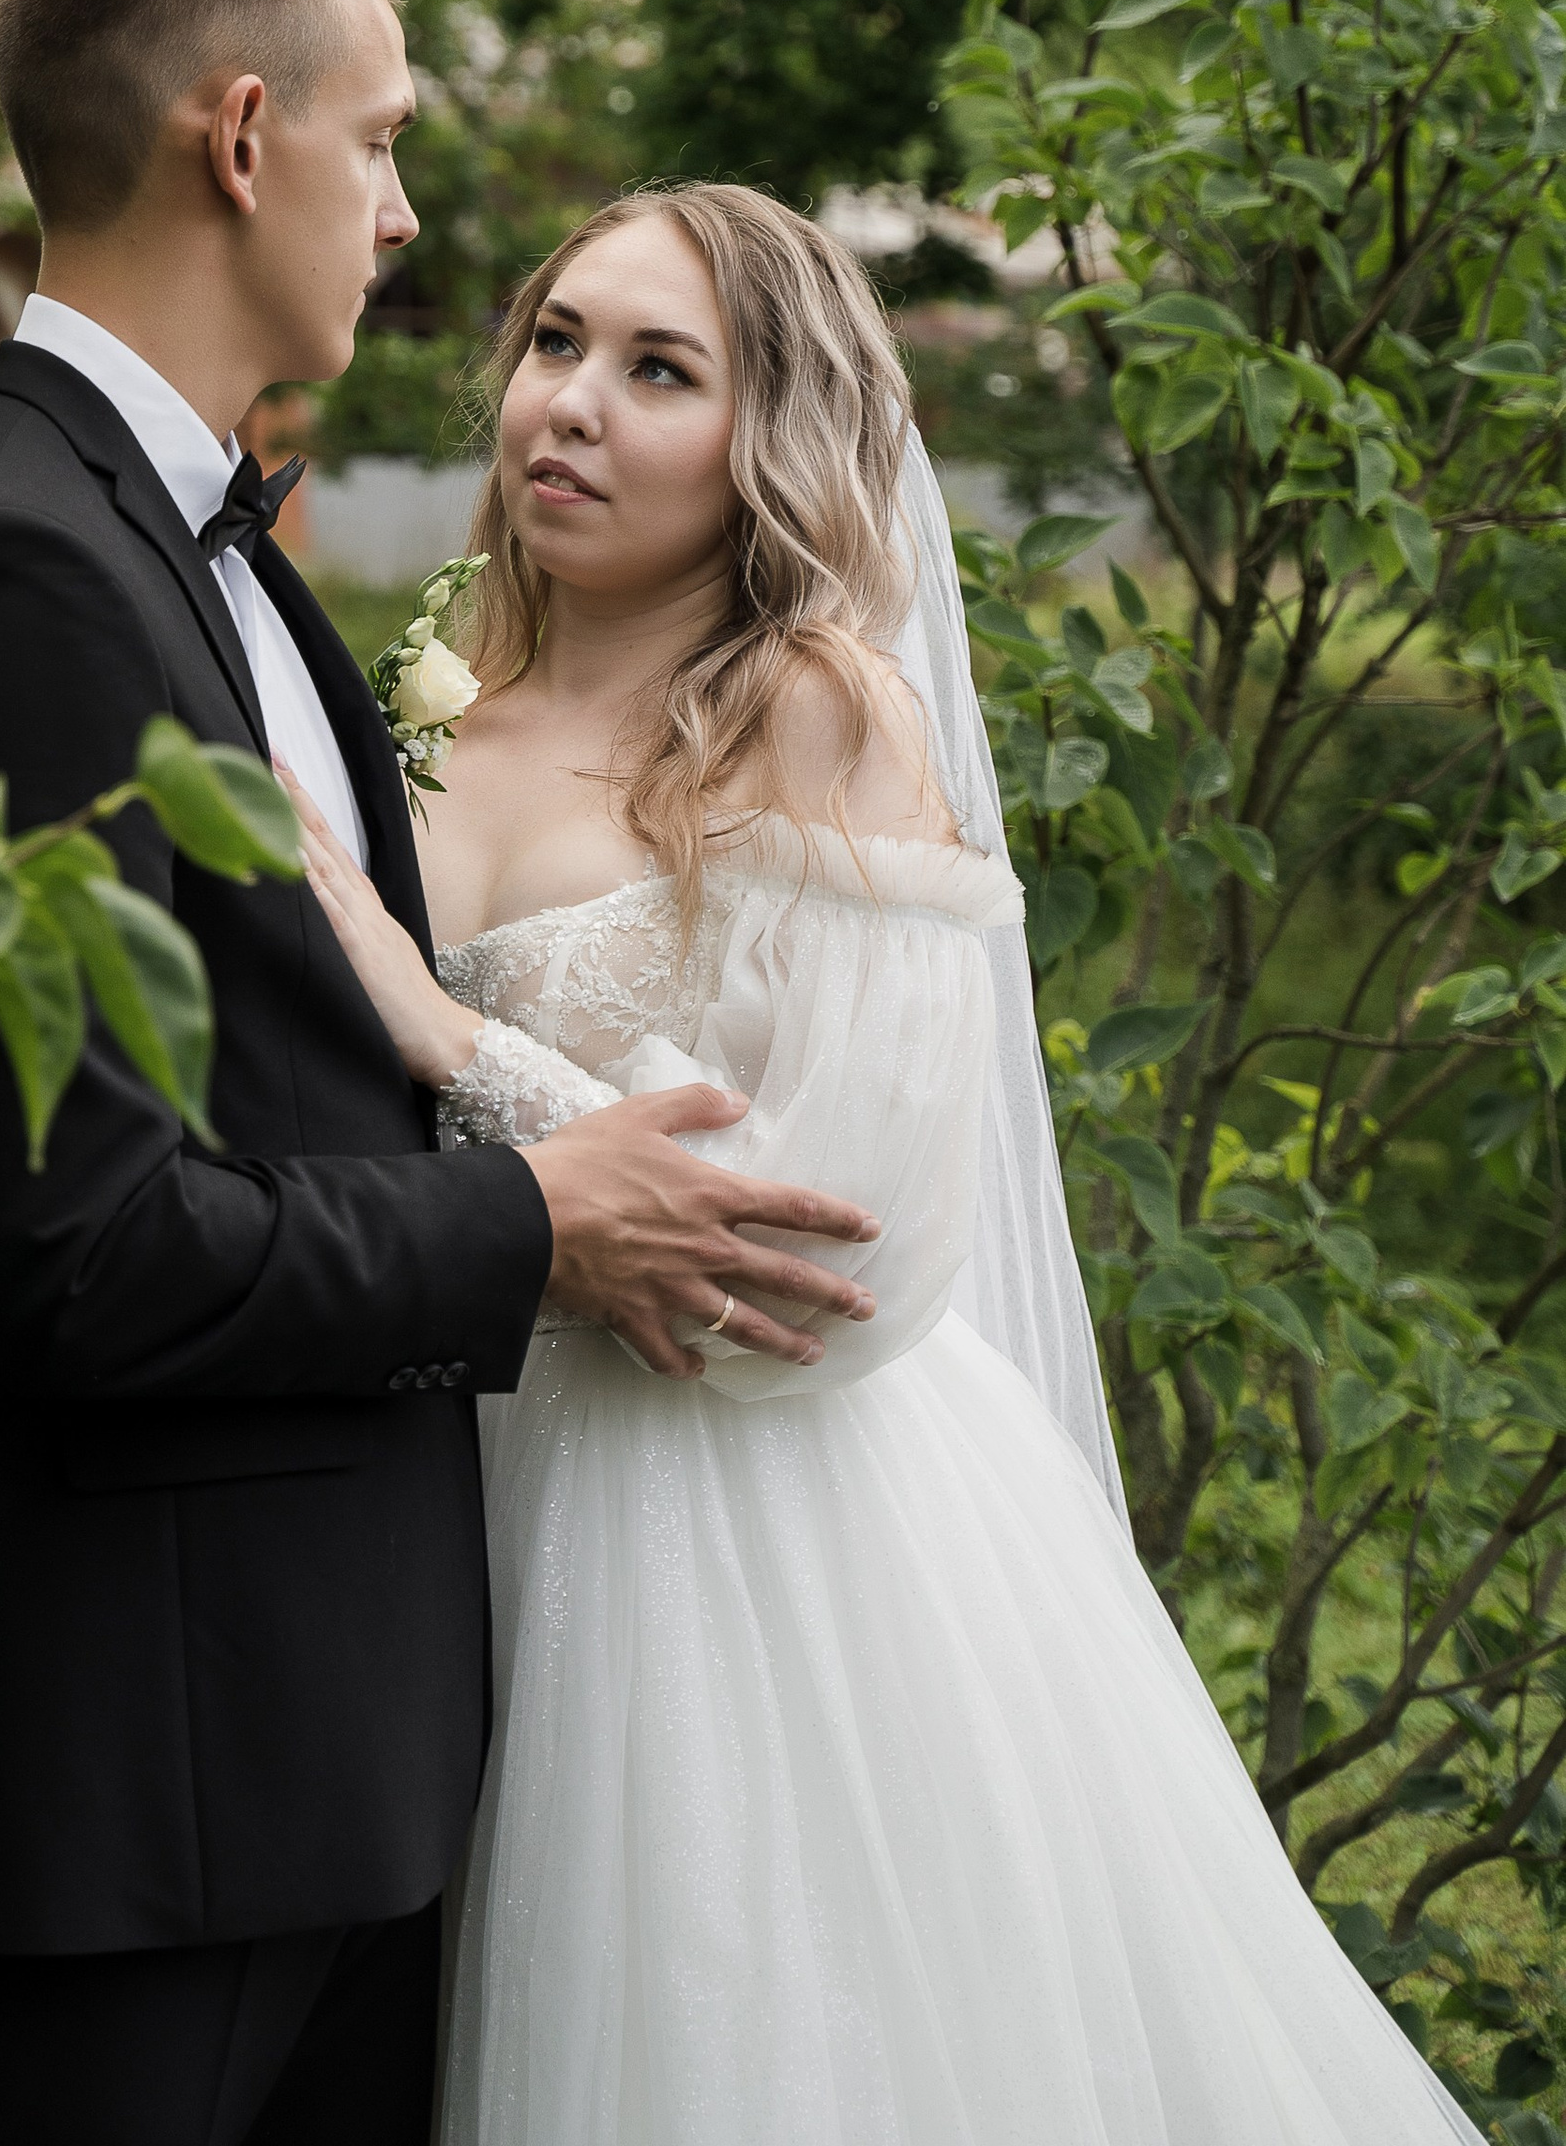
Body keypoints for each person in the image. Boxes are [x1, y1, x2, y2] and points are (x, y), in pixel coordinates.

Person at [0, 0, 881, 2146]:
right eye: (380, 141)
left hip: (335, 1768)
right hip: (121, 1803)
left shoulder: (207, 550)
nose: (400, 217)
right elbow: (63, 1254)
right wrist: (532, 1226)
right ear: (243, 130)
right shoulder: (7, 566)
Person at [295, 179, 1480, 2146]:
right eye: (556, 340)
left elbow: (819, 1276)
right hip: (452, 1488)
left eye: (659, 368)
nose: (570, 403)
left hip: (742, 1548)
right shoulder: (425, 715)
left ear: (771, 439)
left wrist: (439, 1033)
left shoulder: (815, 717)